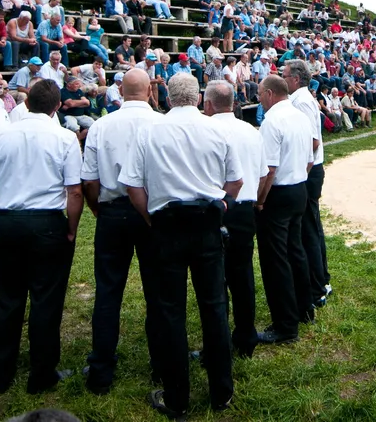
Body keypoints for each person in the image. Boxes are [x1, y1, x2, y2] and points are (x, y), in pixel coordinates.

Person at [121, 73, 241, 419]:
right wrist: (220, 207)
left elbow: (132, 185)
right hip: (204, 223)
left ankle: (177, 396)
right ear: (198, 96)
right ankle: (222, 390)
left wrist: (151, 218)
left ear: (167, 97)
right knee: (214, 306)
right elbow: (235, 180)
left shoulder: (150, 130)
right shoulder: (215, 129)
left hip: (167, 225)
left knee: (170, 310)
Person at [0, 80, 83, 395]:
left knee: (7, 298)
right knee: (46, 299)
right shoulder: (65, 137)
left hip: (10, 220)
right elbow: (74, 190)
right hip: (46, 222)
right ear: (57, 107)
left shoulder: (0, 137)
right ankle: (41, 373)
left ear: (26, 105)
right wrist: (71, 226)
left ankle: (1, 371)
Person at [80, 68, 164, 394]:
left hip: (112, 211)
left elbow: (89, 180)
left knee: (108, 291)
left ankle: (101, 368)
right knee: (158, 290)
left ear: (121, 90)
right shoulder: (161, 123)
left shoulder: (101, 126)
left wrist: (98, 209)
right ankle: (161, 363)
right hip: (151, 212)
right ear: (147, 91)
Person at [203, 80, 269, 358]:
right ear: (232, 103)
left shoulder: (205, 130)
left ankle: (216, 345)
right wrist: (258, 200)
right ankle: (245, 336)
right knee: (242, 273)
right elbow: (264, 173)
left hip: (218, 208)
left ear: (207, 104)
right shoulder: (251, 131)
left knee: (214, 278)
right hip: (245, 208)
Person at [255, 73, 315, 346]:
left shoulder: (272, 121)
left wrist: (259, 200)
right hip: (299, 187)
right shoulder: (300, 116)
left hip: (279, 193)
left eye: (259, 94)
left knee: (276, 259)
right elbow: (311, 157)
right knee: (296, 250)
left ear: (269, 94)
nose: (257, 98)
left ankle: (285, 324)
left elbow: (268, 169)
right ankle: (304, 309)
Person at [283, 60, 330, 307]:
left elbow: (311, 141)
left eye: (285, 75)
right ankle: (321, 278)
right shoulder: (301, 98)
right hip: (311, 169)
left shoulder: (300, 101)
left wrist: (300, 171)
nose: (282, 78)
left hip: (309, 171)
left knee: (309, 230)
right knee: (312, 226)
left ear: (296, 78)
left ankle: (317, 285)